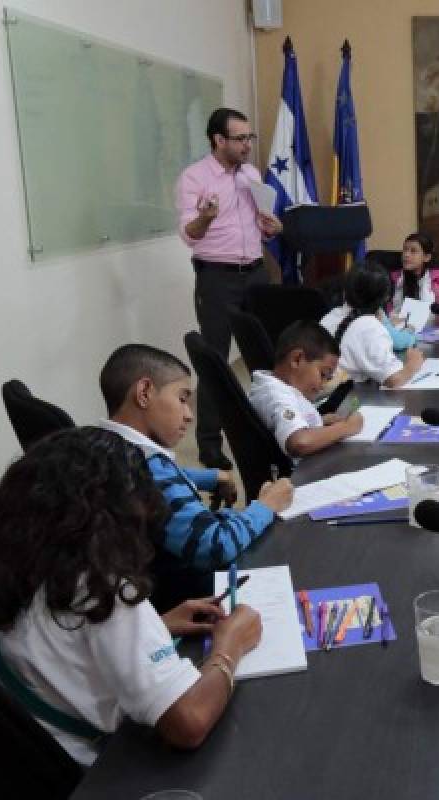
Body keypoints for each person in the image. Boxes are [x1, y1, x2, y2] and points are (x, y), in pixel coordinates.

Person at [0, 427, 263, 765]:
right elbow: (188, 721)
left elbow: (47, 647)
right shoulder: (98, 586)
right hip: (89, 774)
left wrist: (157, 626)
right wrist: (229, 646)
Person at [97, 345, 293, 609]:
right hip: (183, 597)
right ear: (144, 393)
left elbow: (167, 477)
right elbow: (215, 546)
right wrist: (265, 506)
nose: (189, 415)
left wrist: (211, 477)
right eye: (182, 398)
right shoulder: (147, 470)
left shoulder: (107, 446)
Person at [176, 107, 283, 471]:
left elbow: (260, 225)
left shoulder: (251, 174)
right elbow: (190, 234)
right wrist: (204, 218)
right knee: (215, 360)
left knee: (265, 354)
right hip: (217, 278)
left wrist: (271, 227)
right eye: (240, 139)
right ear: (218, 140)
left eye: (250, 138)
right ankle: (209, 445)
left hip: (255, 272)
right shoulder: (194, 178)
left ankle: (276, 423)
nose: (247, 145)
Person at [249, 321, 364, 460]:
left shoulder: (278, 387)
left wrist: (319, 421)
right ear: (297, 359)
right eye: (323, 374)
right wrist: (347, 427)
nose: (322, 385)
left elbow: (287, 422)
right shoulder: (276, 396)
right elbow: (299, 443)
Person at [321, 262, 426, 387]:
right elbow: (393, 380)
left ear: (345, 291)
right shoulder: (370, 327)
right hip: (346, 398)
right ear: (386, 297)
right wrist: (411, 365)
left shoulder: (330, 316)